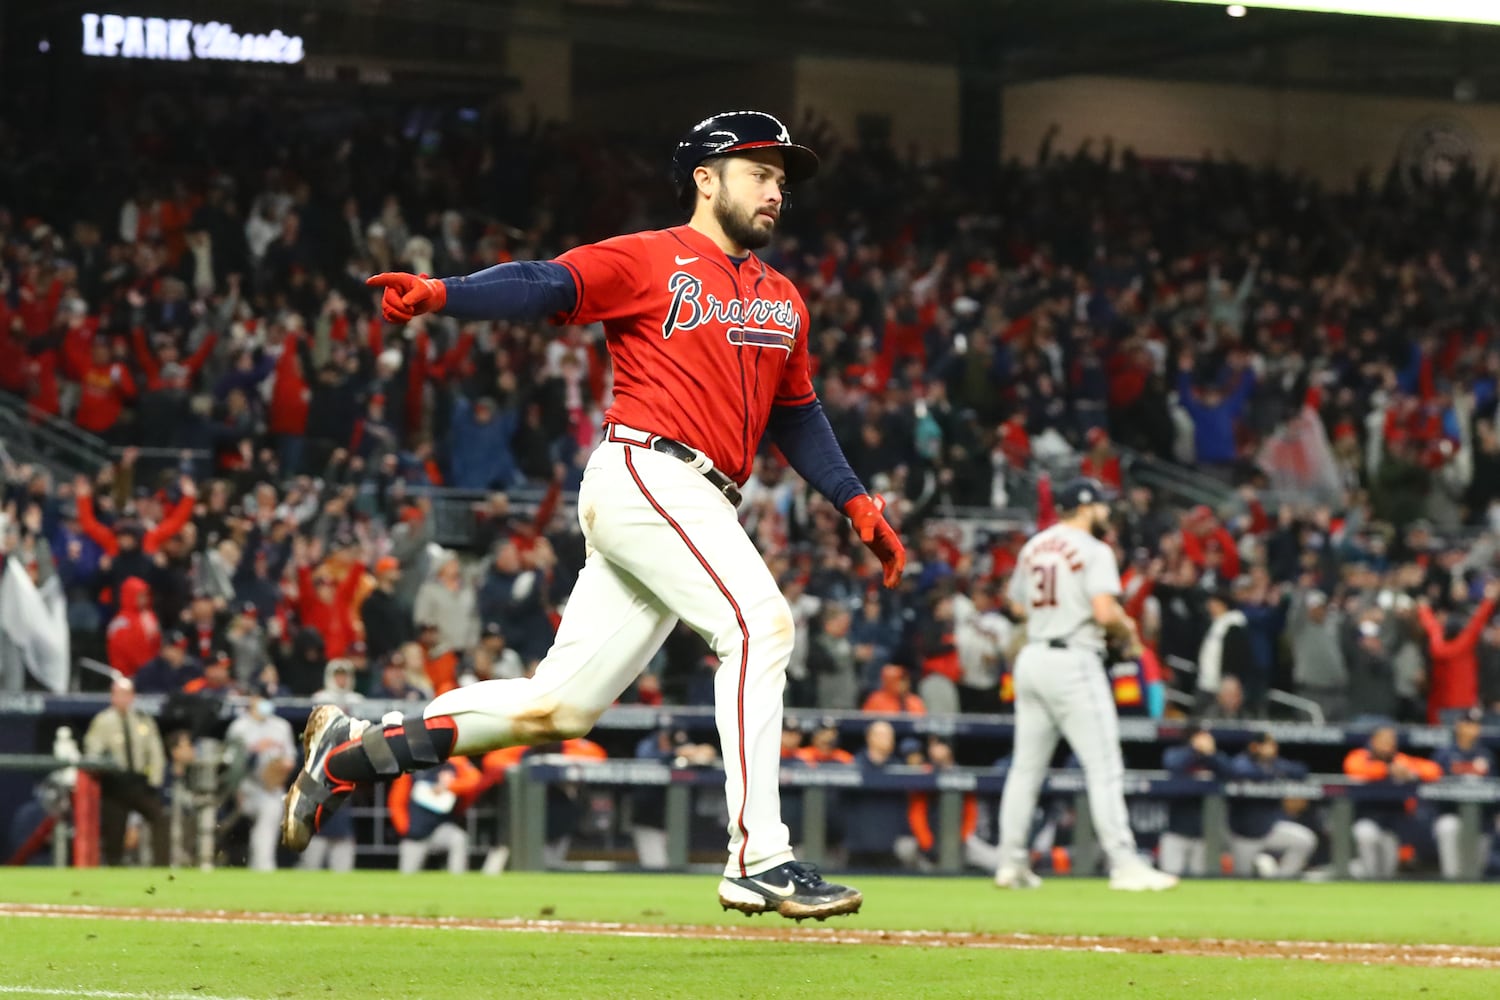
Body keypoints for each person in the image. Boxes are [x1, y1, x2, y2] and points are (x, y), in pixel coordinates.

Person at [283, 111, 903, 921]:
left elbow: (798, 412)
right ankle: (759, 855)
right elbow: (547, 281)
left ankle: (352, 755)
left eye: (782, 178)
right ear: (705, 178)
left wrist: (854, 499)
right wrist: (444, 293)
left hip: (698, 497)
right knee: (760, 627)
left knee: (558, 709)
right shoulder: (649, 256)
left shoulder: (784, 297)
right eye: (759, 171)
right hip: (649, 469)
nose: (776, 189)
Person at [994, 477, 1177, 892]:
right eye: (1101, 505)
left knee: (1025, 769)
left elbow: (1016, 603)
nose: (1106, 512)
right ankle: (1125, 863)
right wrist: (1127, 628)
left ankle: (1010, 862)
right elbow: (1104, 610)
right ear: (1085, 506)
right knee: (1105, 767)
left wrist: (1052, 615)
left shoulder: (1034, 546)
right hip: (1074, 659)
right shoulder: (1094, 550)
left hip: (1034, 656)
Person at [83, 678, 168, 865]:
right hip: (115, 784)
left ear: (132, 697)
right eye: (118, 694)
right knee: (114, 832)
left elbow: (155, 753)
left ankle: (162, 865)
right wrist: (104, 768)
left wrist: (154, 781)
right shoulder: (103, 721)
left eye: (126, 694)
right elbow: (93, 752)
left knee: (161, 818)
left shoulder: (143, 720)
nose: (122, 698)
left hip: (138, 783)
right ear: (112, 697)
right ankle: (114, 868)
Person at [1343, 725, 1442, 879]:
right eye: (1383, 740)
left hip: (1392, 823)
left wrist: (1412, 773)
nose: (1387, 744)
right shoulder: (1360, 757)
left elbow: (1434, 770)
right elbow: (1354, 768)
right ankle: (1365, 879)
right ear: (1373, 741)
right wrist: (1387, 770)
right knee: (1366, 835)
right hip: (1366, 818)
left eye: (1391, 741)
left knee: (1388, 869)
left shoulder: (1400, 761)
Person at [1227, 734, 1319, 879]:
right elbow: (1241, 771)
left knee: (1304, 840)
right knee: (1242, 878)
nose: (1273, 749)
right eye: (1269, 745)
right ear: (1254, 746)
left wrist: (1272, 769)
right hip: (1244, 835)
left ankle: (1281, 880)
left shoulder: (1274, 764)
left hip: (1269, 828)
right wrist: (1271, 773)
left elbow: (1300, 770)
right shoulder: (1241, 762)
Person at [225, 696, 297, 872]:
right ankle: (262, 866)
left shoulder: (281, 726)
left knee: (270, 813)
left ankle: (262, 867)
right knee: (267, 814)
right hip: (245, 787)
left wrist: (283, 768)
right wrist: (253, 752)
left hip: (272, 788)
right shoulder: (239, 727)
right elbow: (229, 763)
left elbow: (291, 757)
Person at [1158, 727, 1233, 877]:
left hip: (1203, 835)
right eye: (1201, 737)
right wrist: (1194, 750)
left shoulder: (1214, 758)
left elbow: (1229, 771)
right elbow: (1173, 765)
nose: (1205, 741)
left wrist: (1210, 754)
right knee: (1169, 878)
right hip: (1175, 833)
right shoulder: (1177, 753)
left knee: (1200, 883)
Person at [1432, 709, 1495, 880]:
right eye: (1467, 724)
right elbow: (1433, 788)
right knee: (1448, 826)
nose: (1472, 729)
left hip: (1482, 818)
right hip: (1451, 813)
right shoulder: (1444, 754)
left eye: (1475, 725)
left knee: (1476, 870)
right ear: (1458, 726)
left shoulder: (1486, 755)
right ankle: (1450, 880)